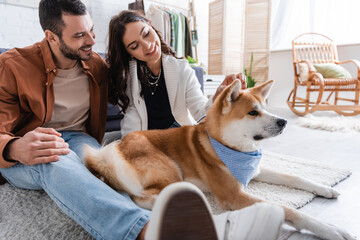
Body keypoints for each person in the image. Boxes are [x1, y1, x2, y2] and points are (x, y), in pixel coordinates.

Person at [0, 2, 284, 239]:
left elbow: (195, 107)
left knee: (106, 168)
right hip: (24, 146)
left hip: (77, 137)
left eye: (91, 31)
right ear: (51, 37)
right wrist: (13, 148)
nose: (90, 42)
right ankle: (148, 231)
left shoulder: (95, 65)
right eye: (78, 36)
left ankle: (154, 213)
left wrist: (223, 97)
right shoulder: (13, 66)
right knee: (54, 158)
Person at [107, 10, 246, 138]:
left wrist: (218, 97)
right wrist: (132, 150)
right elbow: (131, 123)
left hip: (180, 139)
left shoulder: (182, 69)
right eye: (135, 46)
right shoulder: (129, 77)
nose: (147, 45)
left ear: (151, 26)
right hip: (148, 141)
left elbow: (200, 111)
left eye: (146, 34)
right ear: (129, 53)